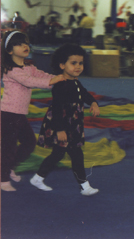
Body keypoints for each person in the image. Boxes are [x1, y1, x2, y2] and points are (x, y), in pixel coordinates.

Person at [30, 44, 100, 196]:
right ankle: (84, 186)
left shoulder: (75, 82)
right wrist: (60, 129)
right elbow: (56, 109)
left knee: (58, 154)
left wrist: (93, 102)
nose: (78, 67)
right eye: (73, 63)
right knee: (76, 153)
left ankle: (38, 178)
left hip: (72, 123)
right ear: (62, 65)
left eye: (80, 63)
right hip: (62, 123)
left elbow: (85, 93)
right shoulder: (60, 85)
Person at [1, 31, 65, 191]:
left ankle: (8, 168)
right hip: (8, 113)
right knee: (8, 147)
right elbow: (30, 81)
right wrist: (52, 81)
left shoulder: (28, 67)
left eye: (26, 43)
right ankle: (2, 180)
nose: (24, 46)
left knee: (29, 143)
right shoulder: (11, 70)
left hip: (19, 114)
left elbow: (40, 75)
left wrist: (58, 78)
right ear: (9, 51)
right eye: (18, 44)